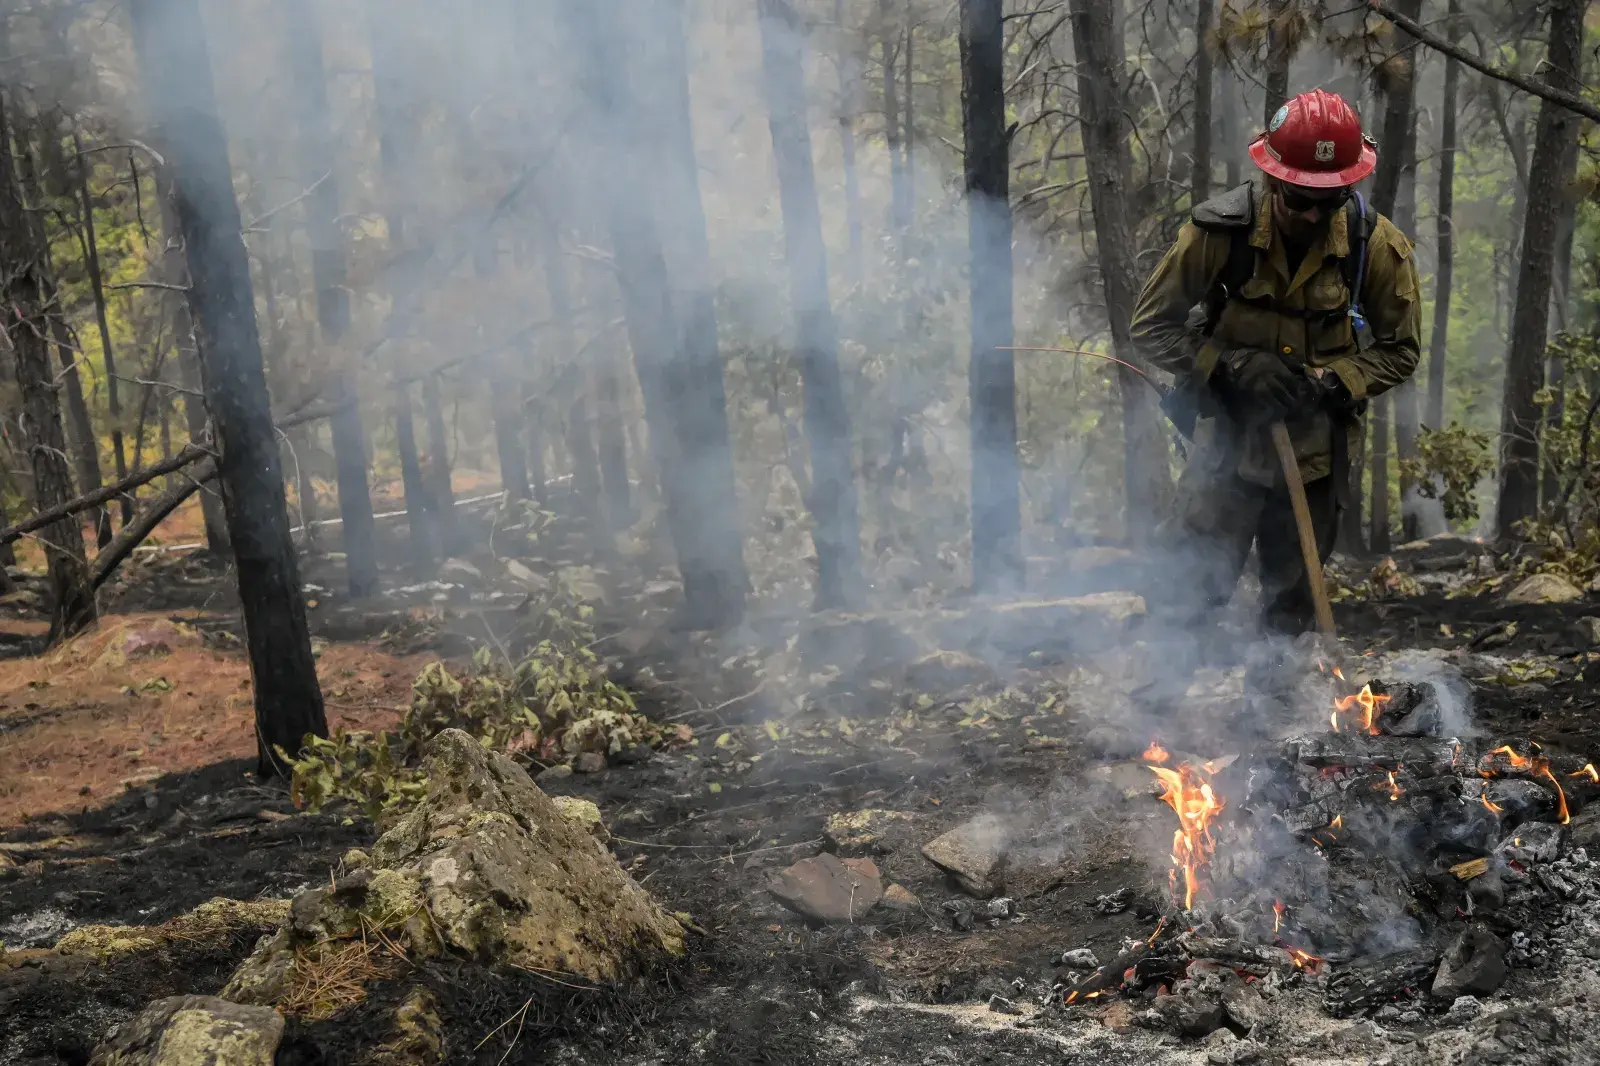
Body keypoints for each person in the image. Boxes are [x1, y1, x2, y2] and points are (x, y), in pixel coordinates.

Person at [1130, 89, 1420, 687]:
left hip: (1314, 461)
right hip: (1226, 451)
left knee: (1290, 613)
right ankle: (1153, 728)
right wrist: (1228, 363)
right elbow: (1149, 328)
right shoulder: (1217, 234)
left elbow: (1401, 350)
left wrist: (1334, 382)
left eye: (1330, 200)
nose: (1315, 217)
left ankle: (1274, 743)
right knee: (1190, 592)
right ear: (1273, 180)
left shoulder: (1375, 245)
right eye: (1300, 201)